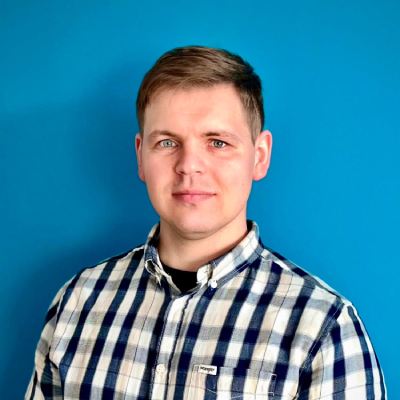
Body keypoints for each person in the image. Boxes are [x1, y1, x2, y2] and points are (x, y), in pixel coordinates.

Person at [25, 46, 386, 400]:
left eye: (217, 142)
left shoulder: (322, 328)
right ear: (140, 156)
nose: (189, 166)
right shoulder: (78, 301)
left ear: (259, 157)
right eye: (167, 142)